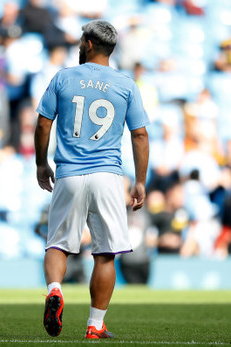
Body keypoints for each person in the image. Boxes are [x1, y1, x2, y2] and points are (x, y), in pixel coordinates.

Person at [34, 20, 149, 338]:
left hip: (69, 173)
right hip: (108, 176)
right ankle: (95, 324)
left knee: (57, 244)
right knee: (105, 253)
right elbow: (139, 135)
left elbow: (44, 124)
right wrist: (140, 180)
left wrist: (41, 164)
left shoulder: (64, 77)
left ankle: (55, 290)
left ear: (87, 44)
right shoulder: (125, 84)